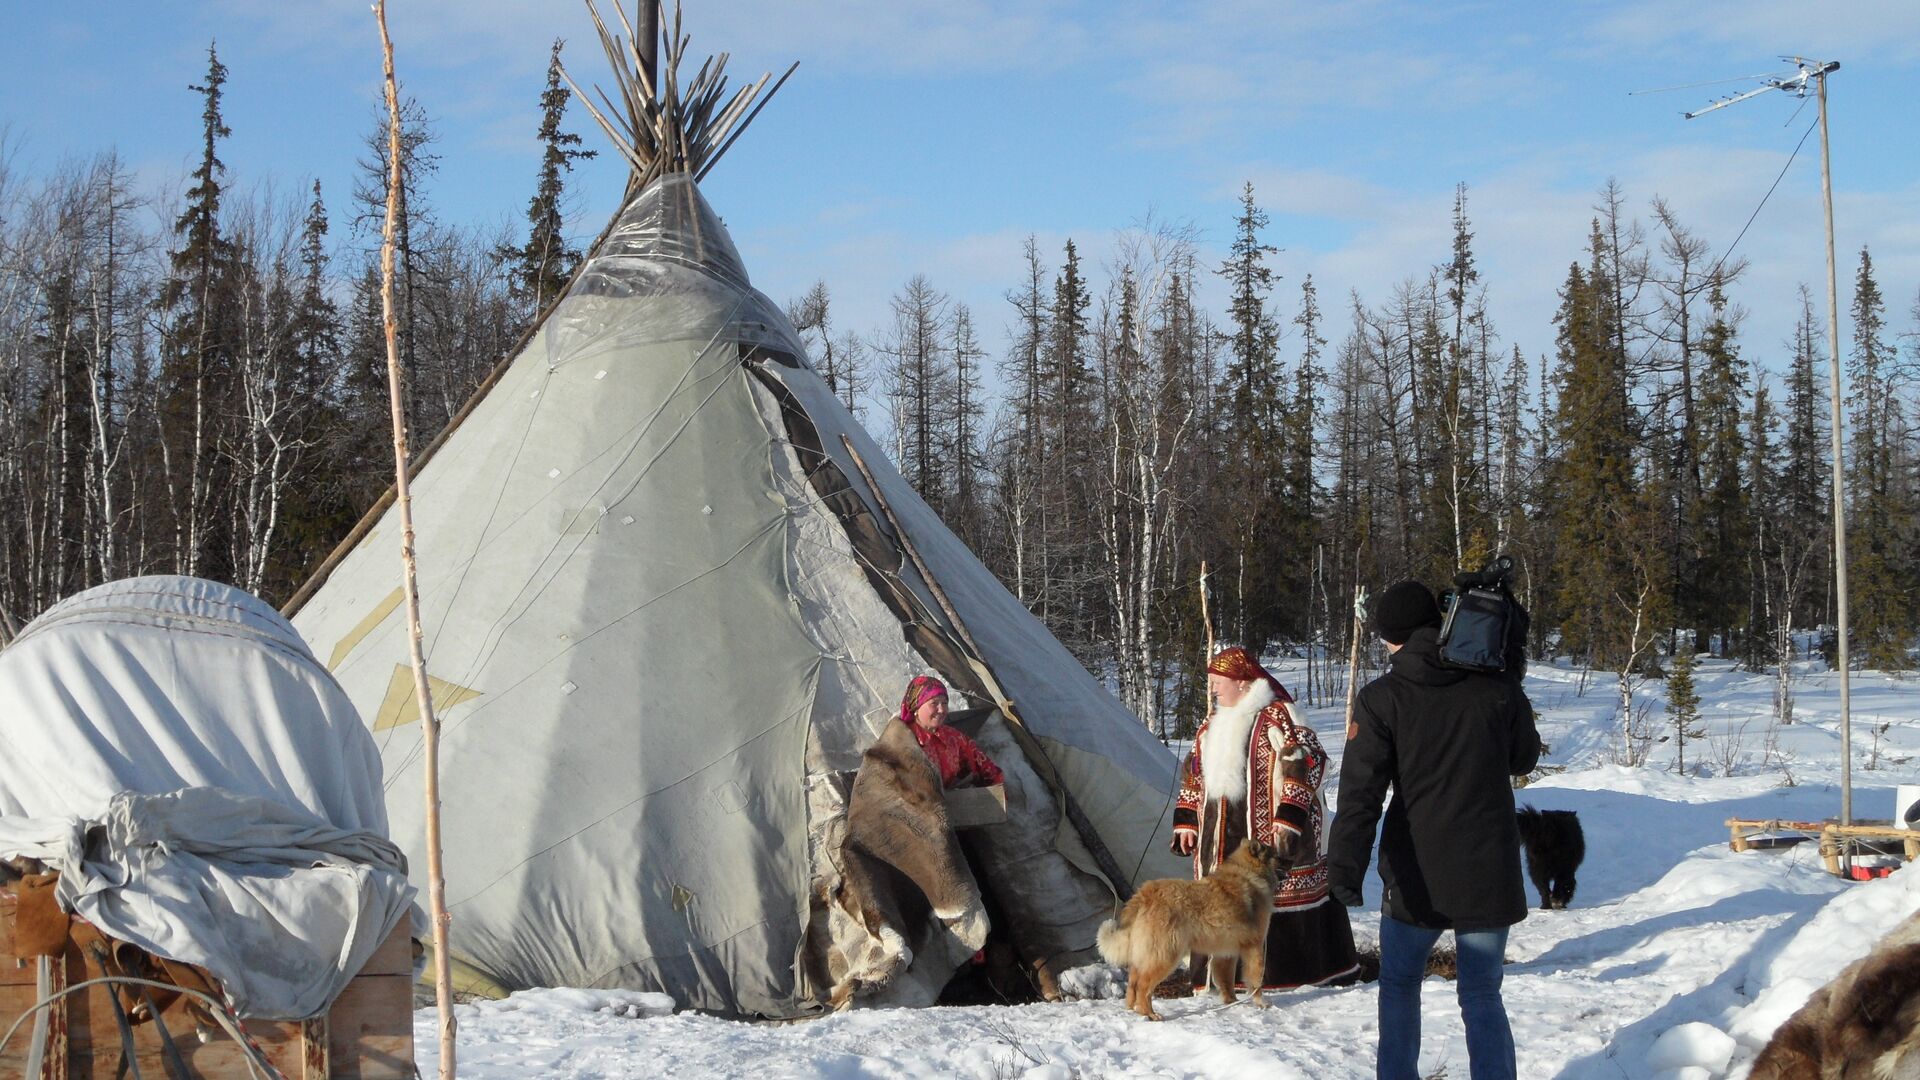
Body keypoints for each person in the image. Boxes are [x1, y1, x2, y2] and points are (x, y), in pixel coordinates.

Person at [1327, 580, 1541, 1080]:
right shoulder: (1495, 683)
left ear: (1390, 637)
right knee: (1483, 993)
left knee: (1401, 986)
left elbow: (1360, 795)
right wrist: (1510, 678)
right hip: (1488, 865)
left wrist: (1344, 870)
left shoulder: (1383, 698)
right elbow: (1524, 757)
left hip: (1416, 870)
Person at [1171, 646, 1360, 991]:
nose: (1212, 689)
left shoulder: (1280, 717)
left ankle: (1281, 978)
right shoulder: (1209, 727)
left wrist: (1287, 819)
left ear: (1242, 682)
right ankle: (1219, 981)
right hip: (1218, 842)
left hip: (1271, 843)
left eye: (1218, 681)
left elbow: (1307, 763)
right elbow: (1194, 775)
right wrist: (1186, 820)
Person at [898, 674, 1003, 789]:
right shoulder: (900, 742)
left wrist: (997, 793)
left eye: (944, 703)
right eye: (934, 703)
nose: (941, 710)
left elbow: (985, 767)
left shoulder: (953, 737)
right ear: (916, 707)